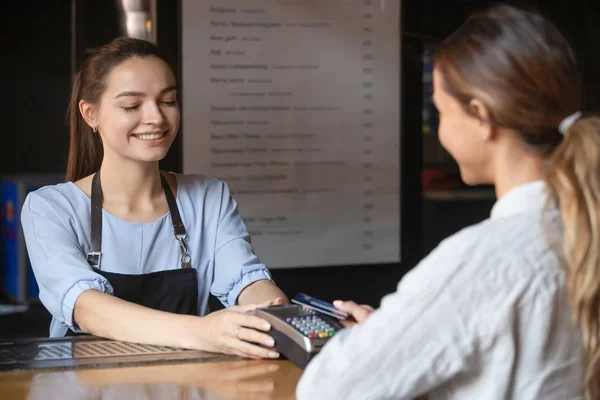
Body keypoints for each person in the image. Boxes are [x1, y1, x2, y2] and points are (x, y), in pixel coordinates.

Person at [297, 5, 600, 400]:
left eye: (440, 110)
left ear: (480, 116)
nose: (439, 127)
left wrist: (382, 338)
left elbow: (327, 390)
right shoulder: (581, 225)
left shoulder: (482, 260)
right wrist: (403, 332)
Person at [21, 37, 289, 360]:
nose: (156, 118)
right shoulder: (50, 209)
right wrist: (203, 332)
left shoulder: (209, 198)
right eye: (132, 106)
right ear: (90, 114)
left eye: (168, 101)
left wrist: (275, 313)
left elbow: (246, 280)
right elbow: (88, 308)